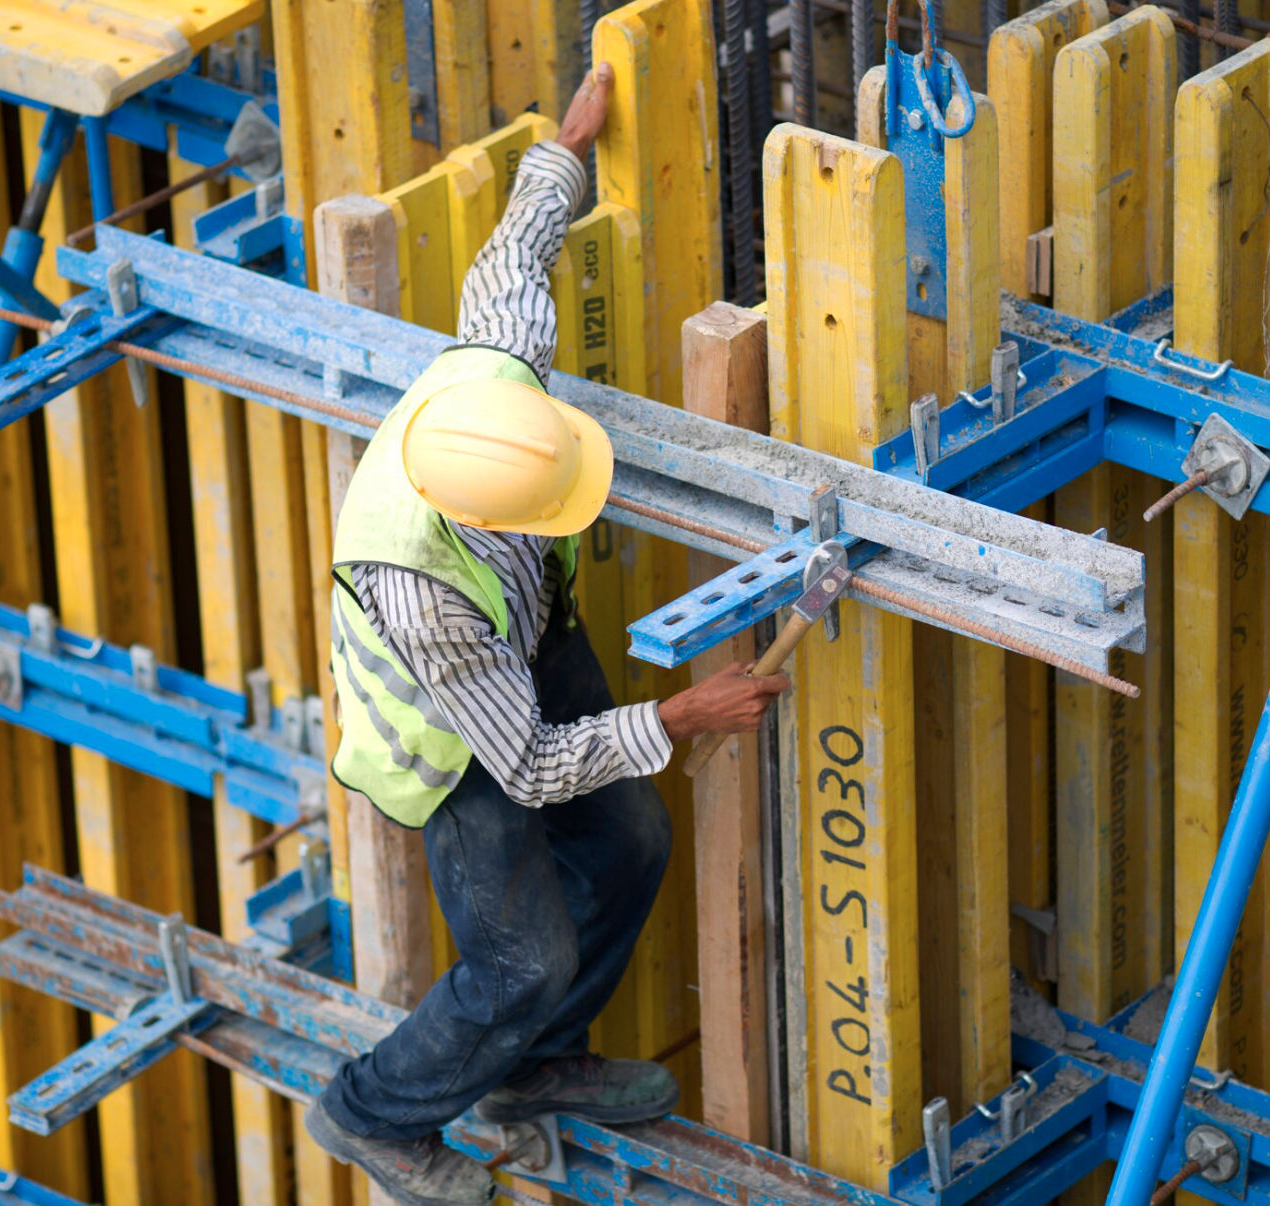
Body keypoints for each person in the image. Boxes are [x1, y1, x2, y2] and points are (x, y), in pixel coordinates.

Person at [301, 62, 792, 1206]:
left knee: (630, 845)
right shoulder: (427, 598)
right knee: (523, 955)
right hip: (451, 729)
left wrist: (565, 148)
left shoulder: (494, 376)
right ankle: (371, 1112)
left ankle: (527, 1070)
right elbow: (517, 762)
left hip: (531, 637)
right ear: (480, 513)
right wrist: (678, 715)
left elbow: (513, 253)